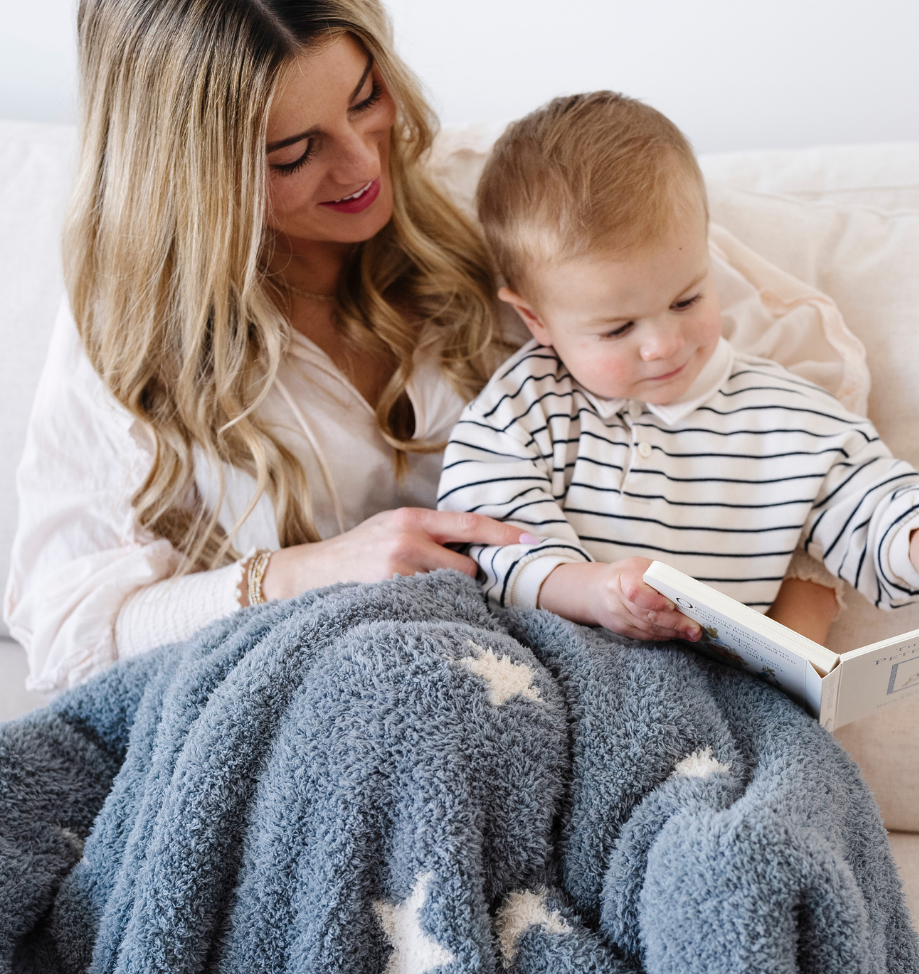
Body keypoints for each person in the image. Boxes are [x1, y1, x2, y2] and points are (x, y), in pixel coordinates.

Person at [3, 0, 540, 696]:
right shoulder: (133, 327)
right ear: (192, 177)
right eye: (293, 152)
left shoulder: (489, 196)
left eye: (366, 97)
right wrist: (297, 574)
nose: (360, 162)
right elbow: (67, 632)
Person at [437, 92, 919, 644]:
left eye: (686, 300)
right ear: (536, 318)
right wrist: (593, 591)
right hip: (554, 671)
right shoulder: (517, 414)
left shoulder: (786, 416)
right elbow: (492, 549)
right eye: (618, 329)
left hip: (712, 703)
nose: (663, 345)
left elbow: (873, 502)